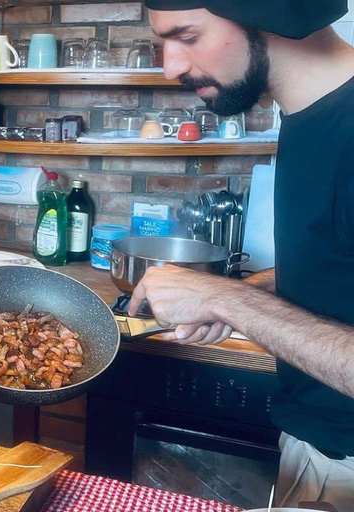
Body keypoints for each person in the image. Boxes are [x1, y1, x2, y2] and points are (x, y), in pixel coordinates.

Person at [131, 0, 354, 507]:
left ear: (267, 13)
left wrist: (230, 303)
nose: (171, 66)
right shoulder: (308, 114)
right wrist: (240, 291)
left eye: (187, 37)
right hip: (318, 448)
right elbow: (337, 262)